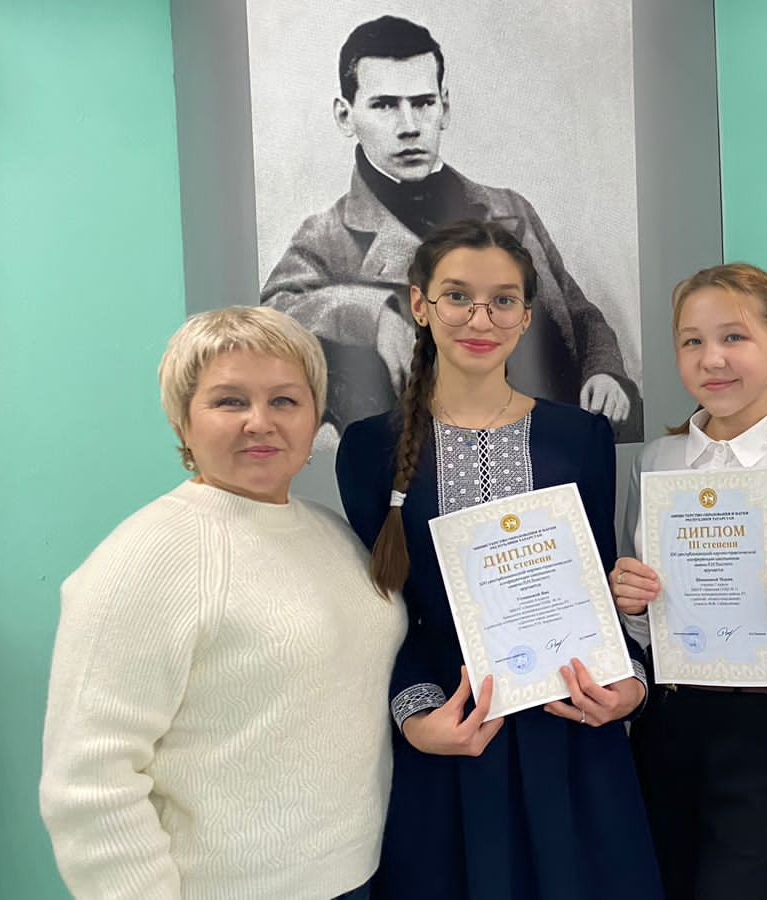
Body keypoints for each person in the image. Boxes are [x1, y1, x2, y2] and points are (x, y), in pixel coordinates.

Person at [335, 219, 660, 900]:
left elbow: (598, 593)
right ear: (420, 305)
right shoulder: (368, 448)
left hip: (571, 734)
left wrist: (630, 684)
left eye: (503, 300)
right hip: (449, 736)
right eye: (458, 296)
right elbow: (384, 616)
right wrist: (415, 717)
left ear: (526, 315)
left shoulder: (582, 437)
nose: (480, 319)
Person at [41, 307, 404, 900]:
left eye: (284, 400)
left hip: (357, 873)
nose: (260, 422)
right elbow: (89, 784)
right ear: (182, 420)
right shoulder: (143, 560)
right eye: (230, 401)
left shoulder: (333, 534)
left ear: (315, 417)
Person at [609, 262, 767, 900]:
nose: (712, 358)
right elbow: (641, 630)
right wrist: (632, 604)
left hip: (765, 736)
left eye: (734, 337)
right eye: (692, 341)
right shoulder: (655, 464)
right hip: (664, 725)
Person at [263, 15, 641, 443]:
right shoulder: (327, 236)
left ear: (445, 106)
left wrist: (604, 372)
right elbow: (272, 311)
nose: (409, 126)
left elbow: (579, 314)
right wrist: (374, 313)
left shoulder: (509, 208)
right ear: (345, 116)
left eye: (423, 103)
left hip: (554, 449)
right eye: (384, 105)